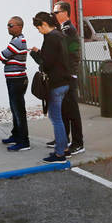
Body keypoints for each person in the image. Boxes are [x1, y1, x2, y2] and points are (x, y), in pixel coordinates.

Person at [30, 12, 72, 164]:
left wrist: (36, 55)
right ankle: (65, 149)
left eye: (38, 28)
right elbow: (55, 58)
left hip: (56, 83)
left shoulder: (51, 38)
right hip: (64, 82)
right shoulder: (59, 35)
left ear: (44, 24)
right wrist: (40, 53)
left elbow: (46, 63)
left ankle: (60, 153)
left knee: (55, 118)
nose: (38, 31)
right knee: (58, 117)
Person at [52, 1, 85, 156]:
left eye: (56, 12)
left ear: (65, 12)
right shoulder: (62, 29)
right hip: (64, 76)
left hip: (69, 76)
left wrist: (71, 72)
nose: (54, 15)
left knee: (72, 110)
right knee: (64, 109)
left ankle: (78, 143)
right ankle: (63, 137)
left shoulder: (69, 30)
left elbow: (73, 52)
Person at [0, 16, 31, 152]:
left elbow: (1, 56)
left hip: (17, 80)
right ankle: (16, 135)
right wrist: (6, 58)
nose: (8, 27)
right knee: (15, 109)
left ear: (19, 26)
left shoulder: (18, 41)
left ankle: (24, 141)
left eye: (10, 25)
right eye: (7, 25)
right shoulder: (15, 40)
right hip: (14, 79)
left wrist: (5, 58)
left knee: (18, 111)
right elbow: (5, 57)